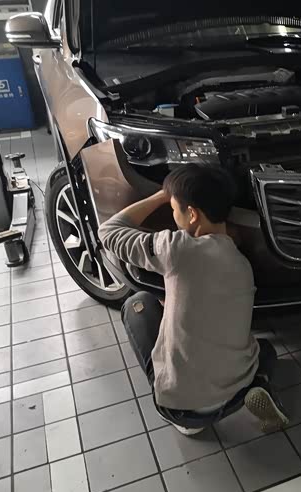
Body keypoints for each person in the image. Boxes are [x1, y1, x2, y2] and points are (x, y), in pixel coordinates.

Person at [98, 164, 289, 435]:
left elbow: (109, 231)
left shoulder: (176, 249)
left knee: (136, 304)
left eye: (174, 208)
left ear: (192, 214)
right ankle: (259, 382)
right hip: (237, 389)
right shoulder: (242, 262)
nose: (172, 214)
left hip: (183, 409)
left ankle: (186, 419)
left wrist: (160, 196)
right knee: (265, 349)